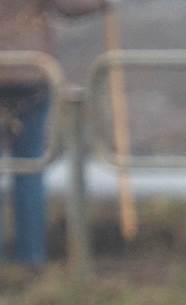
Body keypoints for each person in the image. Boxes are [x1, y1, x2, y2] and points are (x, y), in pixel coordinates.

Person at [0, 0, 107, 268]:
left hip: (27, 73)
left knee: (30, 167)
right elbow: (71, 5)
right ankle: (31, 258)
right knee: (30, 169)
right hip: (30, 74)